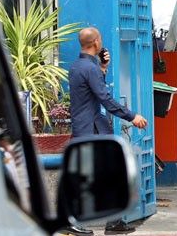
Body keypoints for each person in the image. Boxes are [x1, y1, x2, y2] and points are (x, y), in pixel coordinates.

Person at [68, 27, 148, 235]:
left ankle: (112, 221)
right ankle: (78, 220)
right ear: (96, 42)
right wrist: (133, 116)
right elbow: (106, 99)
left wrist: (103, 67)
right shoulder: (89, 68)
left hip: (86, 127)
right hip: (91, 129)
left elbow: (94, 93)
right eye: (100, 38)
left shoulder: (78, 66)